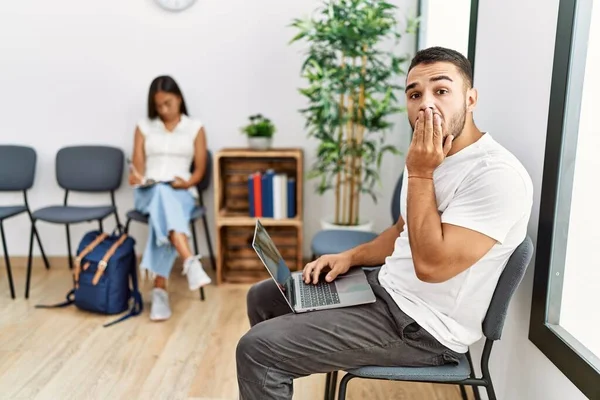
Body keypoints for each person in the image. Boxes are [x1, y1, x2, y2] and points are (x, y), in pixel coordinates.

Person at [235, 46, 534, 399]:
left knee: (258, 349)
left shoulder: (495, 175)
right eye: (414, 94)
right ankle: (286, 366)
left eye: (441, 90)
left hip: (424, 328)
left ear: (470, 99)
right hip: (387, 288)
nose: (426, 104)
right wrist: (350, 257)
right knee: (266, 296)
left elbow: (431, 266)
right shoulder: (429, 151)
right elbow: (400, 231)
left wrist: (421, 173)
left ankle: (278, 360)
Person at [129, 75, 212, 321]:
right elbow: (139, 169)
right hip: (149, 192)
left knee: (164, 207)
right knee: (160, 194)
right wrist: (136, 177)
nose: (164, 110)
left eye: (168, 103)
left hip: (181, 191)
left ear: (178, 98)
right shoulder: (144, 126)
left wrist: (187, 182)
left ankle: (160, 292)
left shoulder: (194, 127)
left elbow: (199, 170)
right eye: (159, 105)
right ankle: (189, 260)